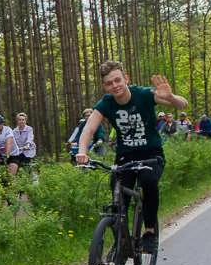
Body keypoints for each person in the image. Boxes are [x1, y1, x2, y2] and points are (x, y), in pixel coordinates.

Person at [75, 60, 189, 254]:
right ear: (105, 86)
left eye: (117, 80)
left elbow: (182, 103)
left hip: (151, 154)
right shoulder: (106, 103)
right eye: (109, 83)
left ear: (126, 78)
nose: (115, 86)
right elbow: (89, 127)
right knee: (117, 195)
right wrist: (82, 151)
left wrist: (170, 96)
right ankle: (122, 241)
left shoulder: (143, 94)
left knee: (148, 181)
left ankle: (150, 232)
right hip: (125, 157)